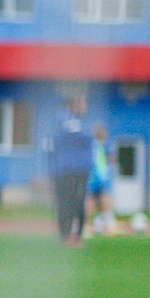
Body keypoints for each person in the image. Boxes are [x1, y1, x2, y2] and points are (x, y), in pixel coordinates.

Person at [47, 92, 93, 246]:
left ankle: (70, 236)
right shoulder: (69, 121)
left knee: (70, 202)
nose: (85, 106)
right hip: (71, 169)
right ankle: (71, 236)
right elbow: (84, 140)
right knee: (72, 202)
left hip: (70, 169)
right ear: (75, 103)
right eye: (83, 102)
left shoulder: (68, 120)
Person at [90, 124, 114, 235]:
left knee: (94, 202)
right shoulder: (99, 146)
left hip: (95, 178)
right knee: (102, 201)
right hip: (99, 177)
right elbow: (108, 160)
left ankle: (89, 226)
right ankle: (107, 226)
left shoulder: (95, 146)